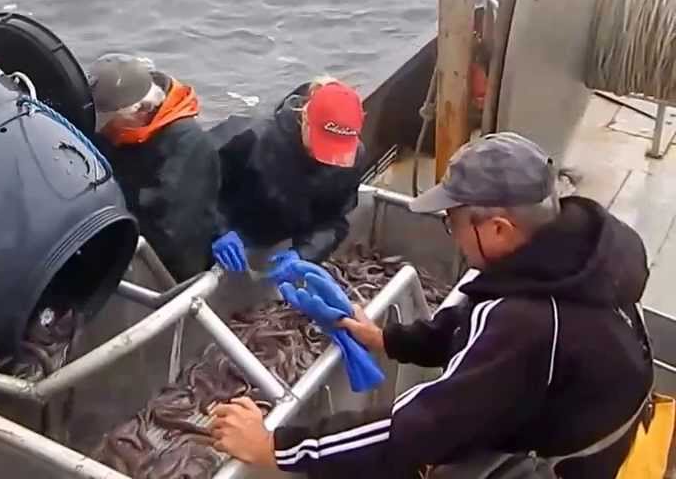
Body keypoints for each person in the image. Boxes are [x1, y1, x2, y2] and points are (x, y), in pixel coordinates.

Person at [210, 132, 653, 479]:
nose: (452, 233)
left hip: (564, 468)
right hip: (579, 421)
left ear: (498, 229)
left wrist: (278, 447)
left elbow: (417, 428)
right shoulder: (580, 253)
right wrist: (388, 339)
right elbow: (478, 328)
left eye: (452, 221)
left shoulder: (527, 323)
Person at [87, 53, 246, 281]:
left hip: (167, 264)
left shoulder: (189, 147)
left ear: (140, 110)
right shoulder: (114, 125)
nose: (102, 128)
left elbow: (171, 234)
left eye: (108, 121)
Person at [213, 77, 366, 266]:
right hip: (230, 236)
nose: (330, 158)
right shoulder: (250, 139)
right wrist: (219, 230)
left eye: (339, 150)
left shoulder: (352, 159)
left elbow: (334, 220)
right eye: (324, 145)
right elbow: (196, 188)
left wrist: (305, 253)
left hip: (284, 241)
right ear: (305, 120)